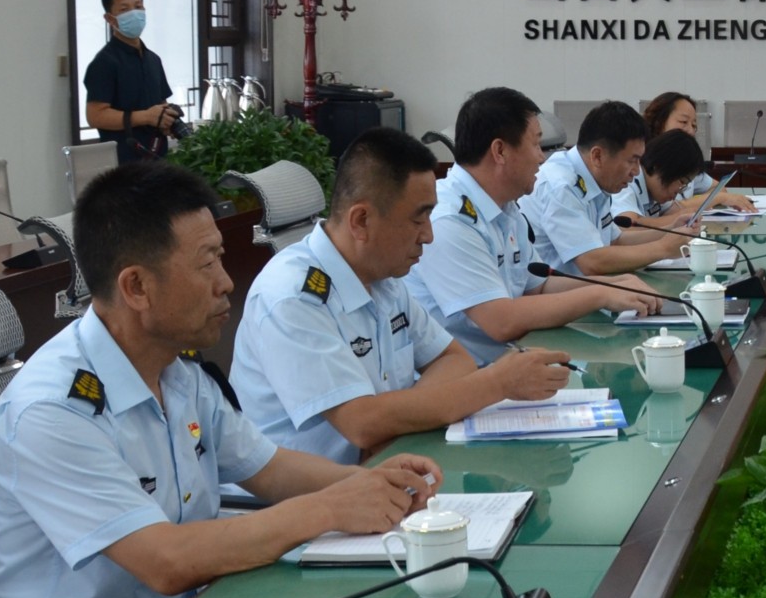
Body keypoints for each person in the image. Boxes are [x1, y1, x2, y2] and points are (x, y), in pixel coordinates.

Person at [0, 162, 445, 598]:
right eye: (206, 264)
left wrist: (371, 484)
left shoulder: (175, 372)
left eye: (221, 257)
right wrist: (330, 507)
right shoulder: (52, 411)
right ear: (137, 287)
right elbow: (166, 561)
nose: (226, 282)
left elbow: (269, 469)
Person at [231, 126, 577, 465]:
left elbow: (454, 359)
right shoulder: (292, 297)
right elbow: (360, 422)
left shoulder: (382, 277)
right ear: (361, 221)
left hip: (389, 469)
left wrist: (394, 426)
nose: (428, 236)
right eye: (418, 220)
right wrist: (498, 383)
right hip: (310, 496)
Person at [407, 86, 650, 363]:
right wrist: (600, 294)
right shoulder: (450, 220)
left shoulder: (506, 207)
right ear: (500, 151)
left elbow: (539, 286)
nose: (541, 157)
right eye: (535, 144)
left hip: (511, 361)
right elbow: (501, 322)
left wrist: (616, 284)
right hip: (471, 375)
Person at [526, 100, 693, 275]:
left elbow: (616, 240)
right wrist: (663, 248)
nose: (636, 171)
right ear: (598, 156)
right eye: (632, 160)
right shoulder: (561, 186)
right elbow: (591, 261)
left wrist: (671, 230)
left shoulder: (595, 178)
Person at [82, 0, 179, 163]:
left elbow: (161, 103)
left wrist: (167, 121)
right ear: (110, 19)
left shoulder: (153, 59)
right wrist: (145, 117)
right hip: (123, 162)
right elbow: (95, 116)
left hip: (158, 158)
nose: (134, 13)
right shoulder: (104, 63)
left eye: (138, 7)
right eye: (124, 9)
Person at [641, 91, 755, 212]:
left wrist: (694, 202)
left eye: (694, 125)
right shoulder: (641, 163)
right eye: (683, 122)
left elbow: (718, 188)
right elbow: (668, 209)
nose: (690, 131)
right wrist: (717, 199)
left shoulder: (685, 161)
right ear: (658, 122)